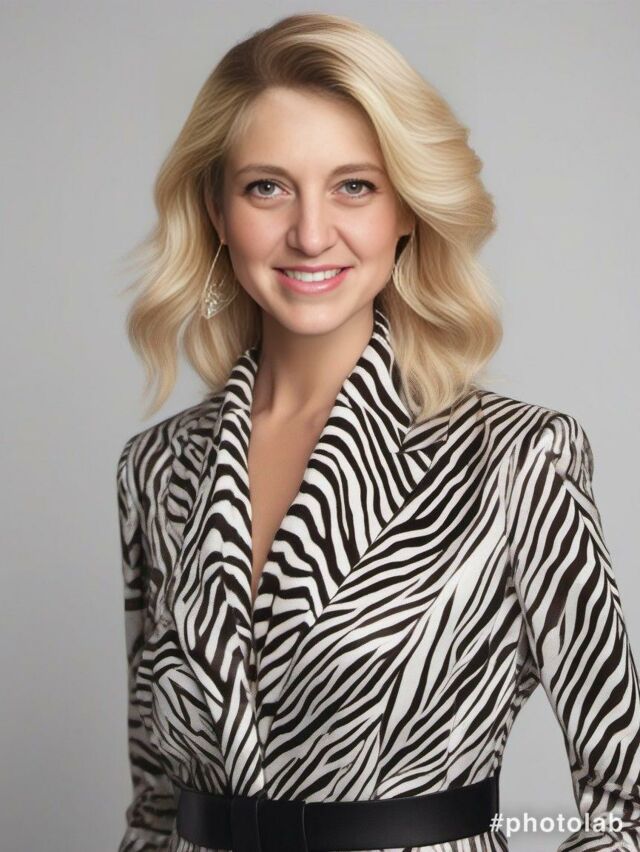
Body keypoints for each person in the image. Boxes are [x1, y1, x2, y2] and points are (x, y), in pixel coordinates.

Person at [115, 12, 640, 852]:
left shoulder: (517, 459)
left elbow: (626, 805)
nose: (310, 233)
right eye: (267, 188)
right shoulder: (157, 468)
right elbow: (153, 807)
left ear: (407, 210)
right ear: (216, 210)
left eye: (354, 186)